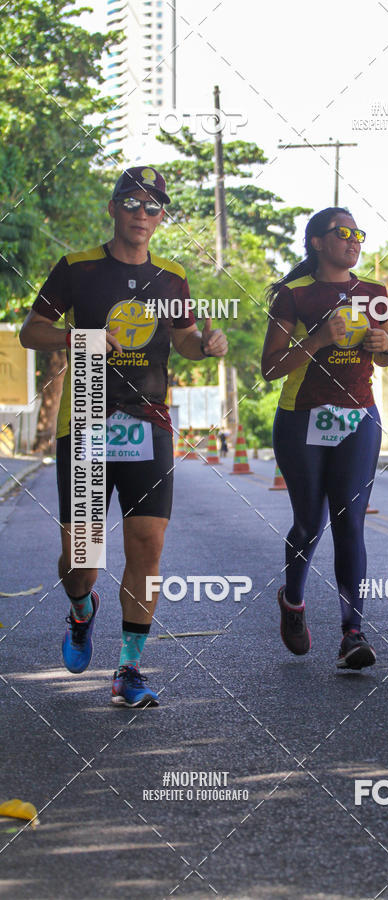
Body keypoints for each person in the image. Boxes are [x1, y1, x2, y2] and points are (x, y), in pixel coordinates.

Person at [20, 165, 227, 707]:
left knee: (147, 545)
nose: (142, 213)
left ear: (162, 217)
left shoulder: (173, 277)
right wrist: (78, 335)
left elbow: (182, 340)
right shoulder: (77, 268)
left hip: (149, 418)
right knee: (82, 562)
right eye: (131, 202)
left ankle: (130, 668)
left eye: (153, 206)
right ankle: (82, 610)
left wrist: (206, 345)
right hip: (88, 410)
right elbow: (30, 331)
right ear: (112, 208)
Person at [261, 207, 388, 670]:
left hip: (359, 417)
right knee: (308, 523)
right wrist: (317, 340)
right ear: (317, 242)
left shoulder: (375, 293)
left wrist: (386, 347)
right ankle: (293, 601)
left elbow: (385, 358)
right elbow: (271, 368)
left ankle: (352, 633)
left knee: (350, 521)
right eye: (343, 233)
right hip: (302, 418)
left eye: (358, 233)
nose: (354, 240)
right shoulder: (293, 296)